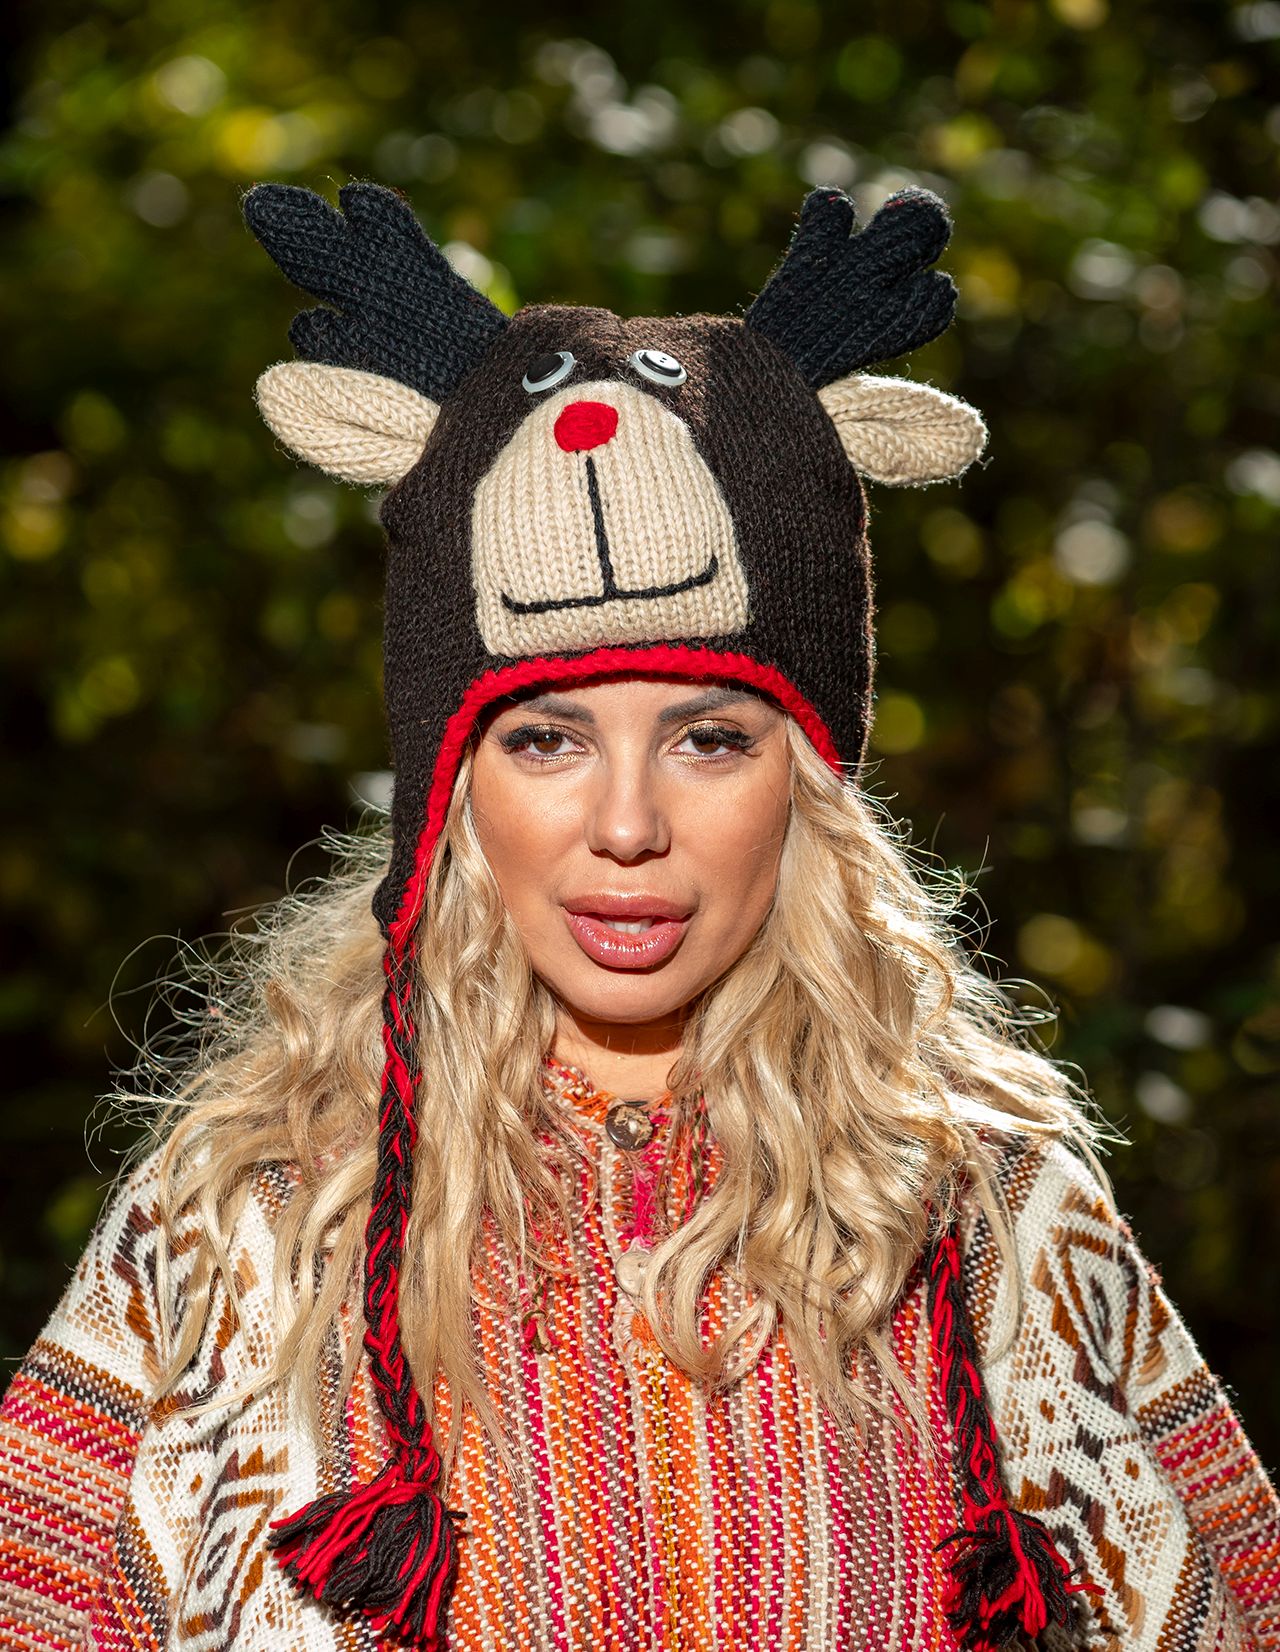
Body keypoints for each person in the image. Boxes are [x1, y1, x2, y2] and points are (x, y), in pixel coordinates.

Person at [1, 177, 1276, 1652]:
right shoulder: (257, 1208)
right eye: (546, 738)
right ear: (451, 783)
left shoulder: (980, 1207)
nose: (624, 825)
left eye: (710, 739)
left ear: (810, 781)